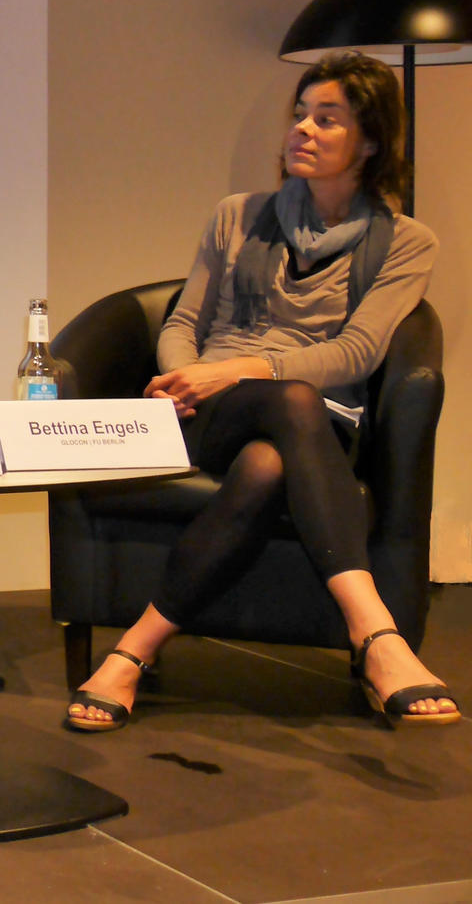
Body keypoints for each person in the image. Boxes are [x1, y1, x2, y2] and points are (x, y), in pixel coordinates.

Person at [66, 51, 456, 731]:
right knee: (290, 400)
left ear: (370, 141)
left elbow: (357, 353)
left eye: (327, 119)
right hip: (208, 410)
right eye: (299, 114)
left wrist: (237, 370)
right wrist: (186, 378)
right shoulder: (237, 216)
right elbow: (182, 323)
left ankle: (133, 651)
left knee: (270, 461)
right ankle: (375, 632)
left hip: (315, 422)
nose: (302, 129)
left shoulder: (406, 243)